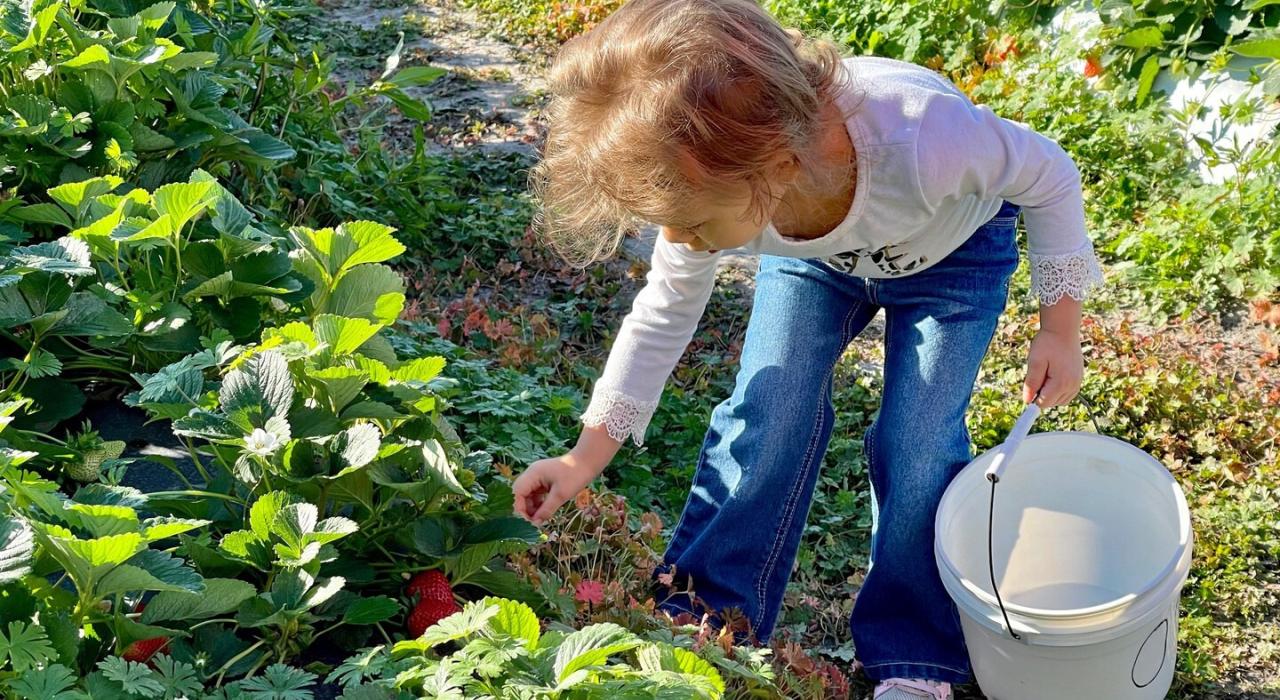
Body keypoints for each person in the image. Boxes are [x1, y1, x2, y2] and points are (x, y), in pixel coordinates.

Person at [512, 1, 1104, 697]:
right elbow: (663, 314)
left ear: (775, 166)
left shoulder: (922, 137)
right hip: (814, 260)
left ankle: (915, 653)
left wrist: (1059, 328)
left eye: (694, 223)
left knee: (916, 442)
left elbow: (1050, 172)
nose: (687, 241)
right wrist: (584, 457)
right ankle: (710, 613)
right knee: (770, 410)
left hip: (954, 254)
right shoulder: (720, 194)